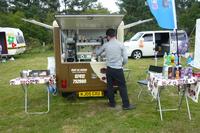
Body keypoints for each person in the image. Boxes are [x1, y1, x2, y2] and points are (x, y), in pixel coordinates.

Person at [96, 28, 135, 110]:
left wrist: (97, 48)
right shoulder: (121, 45)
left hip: (109, 69)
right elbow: (125, 59)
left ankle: (112, 103)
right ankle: (126, 105)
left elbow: (98, 53)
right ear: (115, 35)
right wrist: (122, 64)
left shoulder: (106, 45)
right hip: (118, 69)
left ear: (108, 36)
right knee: (122, 87)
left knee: (109, 86)